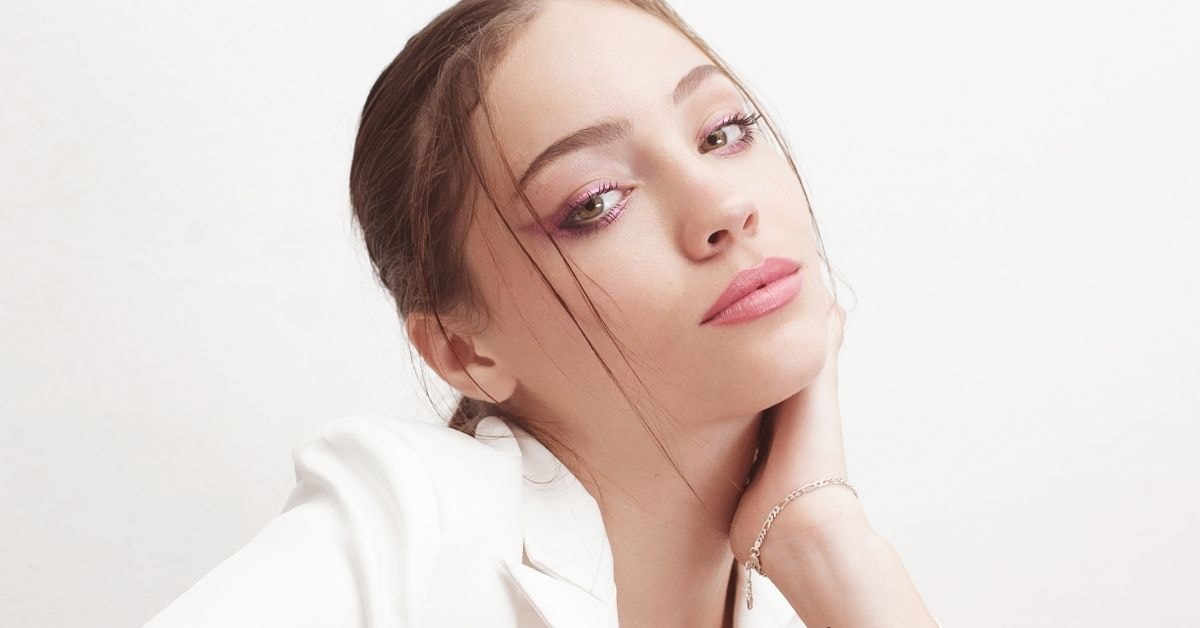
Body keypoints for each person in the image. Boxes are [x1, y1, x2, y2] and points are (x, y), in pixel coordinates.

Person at [144, 0, 942, 626]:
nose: (723, 207)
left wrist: (827, 543)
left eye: (723, 131)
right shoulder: (412, 526)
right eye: (595, 202)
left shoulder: (803, 596)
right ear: (460, 350)